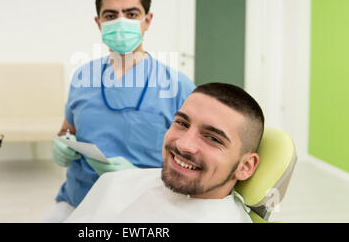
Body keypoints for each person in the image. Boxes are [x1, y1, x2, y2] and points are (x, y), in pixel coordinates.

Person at [39, 0, 196, 222]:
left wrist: (142, 178)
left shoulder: (178, 86)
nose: (121, 22)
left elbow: (193, 162)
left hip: (145, 207)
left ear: (148, 21)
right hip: (78, 201)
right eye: (111, 16)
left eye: (132, 14)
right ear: (99, 23)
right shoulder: (83, 77)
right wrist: (62, 146)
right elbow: (66, 131)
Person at [65, 82, 264, 223]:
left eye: (212, 138)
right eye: (182, 123)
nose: (184, 144)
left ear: (245, 167)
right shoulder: (123, 182)